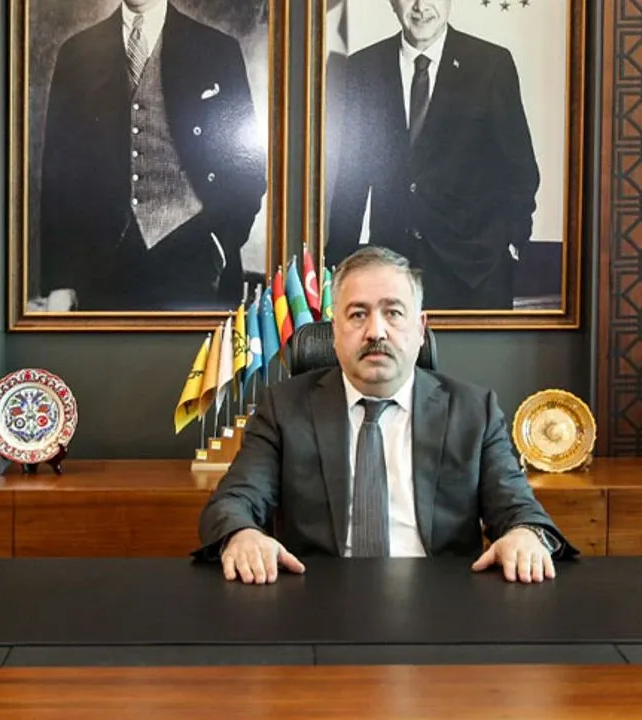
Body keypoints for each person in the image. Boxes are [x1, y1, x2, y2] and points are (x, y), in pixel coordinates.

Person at [196, 246, 577, 584]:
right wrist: (243, 535)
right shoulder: (283, 408)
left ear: (420, 328)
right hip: (318, 601)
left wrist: (524, 534)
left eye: (393, 313)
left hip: (444, 601)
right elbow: (233, 501)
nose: (375, 331)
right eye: (357, 314)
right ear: (334, 331)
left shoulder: (474, 411)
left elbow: (518, 508)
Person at [38, 0, 267, 311]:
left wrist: (221, 243)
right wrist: (61, 280)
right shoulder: (76, 53)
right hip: (102, 268)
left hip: (195, 261)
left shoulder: (217, 50)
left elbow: (248, 170)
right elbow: (58, 176)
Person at [325, 0, 539, 311]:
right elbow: (351, 179)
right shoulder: (364, 67)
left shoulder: (491, 64)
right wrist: (337, 264)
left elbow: (520, 170)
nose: (421, 6)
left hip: (475, 275)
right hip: (392, 275)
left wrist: (511, 243)